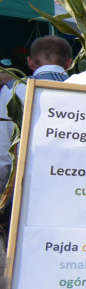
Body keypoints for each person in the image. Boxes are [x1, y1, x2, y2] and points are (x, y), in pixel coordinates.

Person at [0, 36, 73, 196]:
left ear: (30, 62)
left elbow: (4, 150)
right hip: (73, 186)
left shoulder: (14, 89)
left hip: (25, 190)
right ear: (69, 62)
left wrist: (3, 194)